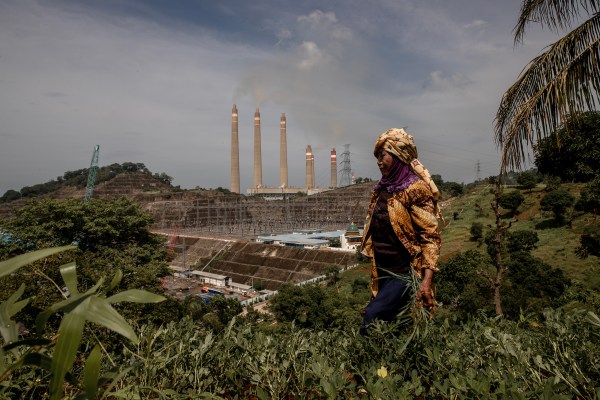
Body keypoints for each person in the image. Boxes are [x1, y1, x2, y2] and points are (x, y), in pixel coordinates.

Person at [359, 128, 441, 334]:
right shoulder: (382, 189)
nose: (378, 161)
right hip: (382, 270)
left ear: (397, 156)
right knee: (394, 325)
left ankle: (360, 362)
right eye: (377, 156)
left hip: (404, 272)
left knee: (372, 318)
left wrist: (427, 280)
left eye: (383, 155)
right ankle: (393, 364)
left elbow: (430, 237)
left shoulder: (415, 189)